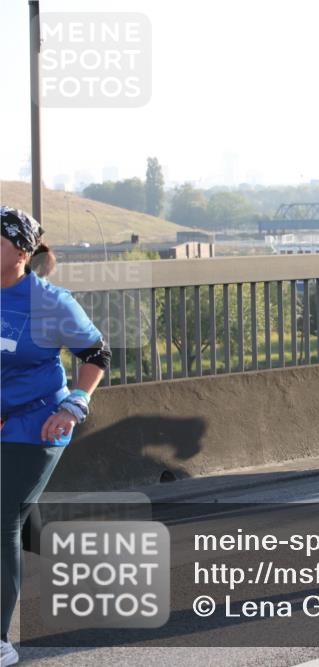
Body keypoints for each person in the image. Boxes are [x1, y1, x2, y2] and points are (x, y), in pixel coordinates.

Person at [1, 207, 110, 667]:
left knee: (1, 514)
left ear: (21, 251)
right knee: (19, 519)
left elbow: (96, 352)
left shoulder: (47, 302)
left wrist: (74, 405)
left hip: (37, 422)